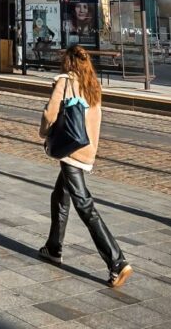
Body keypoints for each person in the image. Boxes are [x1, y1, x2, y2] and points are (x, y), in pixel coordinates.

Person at [39, 44, 132, 289]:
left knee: (83, 204)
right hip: (86, 148)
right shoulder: (93, 85)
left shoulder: (65, 81)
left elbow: (50, 114)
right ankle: (53, 247)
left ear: (68, 63)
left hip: (70, 150)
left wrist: (44, 134)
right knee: (60, 196)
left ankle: (117, 261)